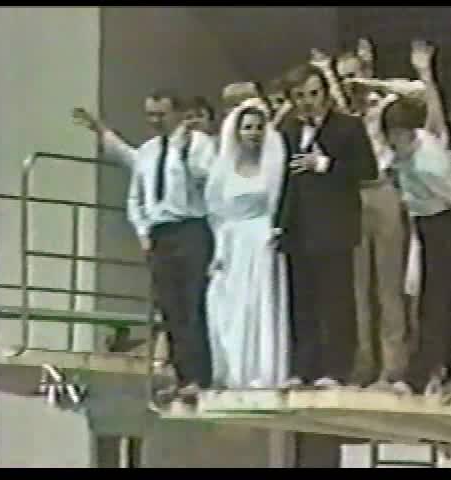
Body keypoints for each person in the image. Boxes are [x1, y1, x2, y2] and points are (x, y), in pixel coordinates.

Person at [375, 41, 451, 394]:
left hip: (440, 224)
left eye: (396, 136)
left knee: (435, 301)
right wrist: (425, 73)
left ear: (404, 133)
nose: (393, 143)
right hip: (421, 223)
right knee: (419, 296)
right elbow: (437, 122)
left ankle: (422, 374)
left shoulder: (425, 164)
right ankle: (430, 369)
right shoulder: (419, 142)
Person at [308, 47, 411, 393]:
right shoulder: (342, 116)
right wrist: (327, 71)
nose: (350, 83)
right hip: (352, 195)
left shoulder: (387, 104)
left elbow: (418, 94)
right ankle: (361, 363)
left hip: (383, 190)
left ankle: (393, 369)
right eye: (344, 77)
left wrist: (373, 82)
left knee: (388, 285)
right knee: (356, 287)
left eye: (355, 75)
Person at [275, 64, 375, 388]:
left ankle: (336, 369)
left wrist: (326, 164)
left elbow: (368, 169)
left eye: (314, 94)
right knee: (301, 303)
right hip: (298, 228)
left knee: (336, 301)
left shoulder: (348, 127)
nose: (308, 102)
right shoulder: (287, 131)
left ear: (325, 94)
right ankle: (303, 368)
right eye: (300, 96)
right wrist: (279, 224)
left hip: (334, 227)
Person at [121, 90, 216, 399]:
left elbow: (209, 183)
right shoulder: (147, 151)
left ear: (176, 114)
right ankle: (180, 375)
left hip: (191, 227)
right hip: (160, 233)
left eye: (160, 115)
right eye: (150, 115)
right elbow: (136, 197)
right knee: (170, 307)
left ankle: (199, 376)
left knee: (192, 304)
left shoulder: (199, 144)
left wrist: (184, 153)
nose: (155, 121)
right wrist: (143, 231)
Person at [204, 97, 291, 389]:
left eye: (258, 127)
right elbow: (216, 211)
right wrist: (220, 248)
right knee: (229, 306)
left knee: (258, 304)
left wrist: (272, 232)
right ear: (237, 131)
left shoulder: (271, 167)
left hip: (261, 239)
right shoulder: (223, 168)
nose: (253, 133)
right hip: (233, 242)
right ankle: (233, 371)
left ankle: (261, 370)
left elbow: (275, 201)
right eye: (247, 127)